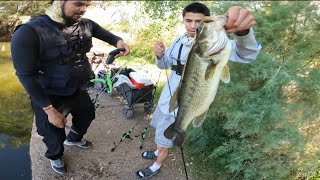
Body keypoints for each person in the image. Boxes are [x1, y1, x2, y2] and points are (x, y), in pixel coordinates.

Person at [136, 2, 262, 178]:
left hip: (185, 105)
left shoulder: (218, 45)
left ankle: (156, 165)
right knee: (159, 129)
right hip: (167, 99)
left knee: (166, 136)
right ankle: (158, 151)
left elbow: (247, 54)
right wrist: (159, 55)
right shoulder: (178, 41)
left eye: (199, 22)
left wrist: (243, 32)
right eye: (189, 20)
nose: (194, 26)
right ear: (183, 21)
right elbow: (165, 64)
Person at [11, 0, 130, 175]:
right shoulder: (28, 32)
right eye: (78, 3)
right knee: (53, 133)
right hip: (48, 94)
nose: (83, 9)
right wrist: (50, 111)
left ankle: (73, 139)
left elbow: (109, 36)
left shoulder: (85, 24)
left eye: (86, 5)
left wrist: (120, 43)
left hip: (75, 87)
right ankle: (55, 155)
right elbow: (25, 75)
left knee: (87, 115)